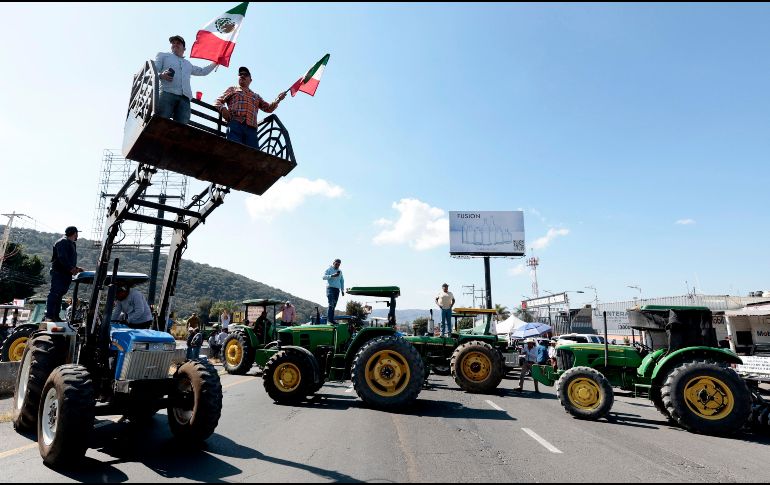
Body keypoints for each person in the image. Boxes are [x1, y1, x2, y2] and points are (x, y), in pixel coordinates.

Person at [214, 66, 287, 148]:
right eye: (240, 74)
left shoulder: (255, 96)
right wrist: (223, 109)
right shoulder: (232, 89)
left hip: (251, 129)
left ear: (250, 80)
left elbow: (268, 108)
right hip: (235, 124)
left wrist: (278, 99)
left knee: (253, 156)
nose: (242, 76)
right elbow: (217, 101)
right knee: (233, 150)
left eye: (245, 74)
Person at [155, 35, 217, 124]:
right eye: (173, 43)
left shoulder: (188, 64)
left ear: (184, 48)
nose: (175, 44)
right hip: (166, 93)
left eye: (178, 43)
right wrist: (161, 75)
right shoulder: (163, 55)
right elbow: (153, 70)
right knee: (160, 122)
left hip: (185, 99)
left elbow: (203, 71)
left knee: (181, 128)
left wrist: (215, 62)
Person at [46, 226, 84, 321]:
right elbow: (62, 258)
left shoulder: (71, 244)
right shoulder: (62, 242)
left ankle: (55, 316)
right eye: (76, 233)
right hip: (59, 272)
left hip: (66, 273)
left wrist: (76, 268)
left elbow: (68, 259)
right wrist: (71, 268)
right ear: (75, 233)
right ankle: (49, 315)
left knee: (59, 295)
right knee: (55, 293)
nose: (77, 236)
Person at [322, 259, 344, 324]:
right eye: (336, 264)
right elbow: (323, 277)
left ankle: (331, 320)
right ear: (333, 263)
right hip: (330, 288)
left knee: (334, 305)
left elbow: (342, 281)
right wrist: (332, 275)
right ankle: (329, 320)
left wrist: (342, 290)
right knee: (331, 303)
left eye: (339, 264)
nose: (337, 265)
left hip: (337, 289)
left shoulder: (340, 271)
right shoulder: (329, 269)